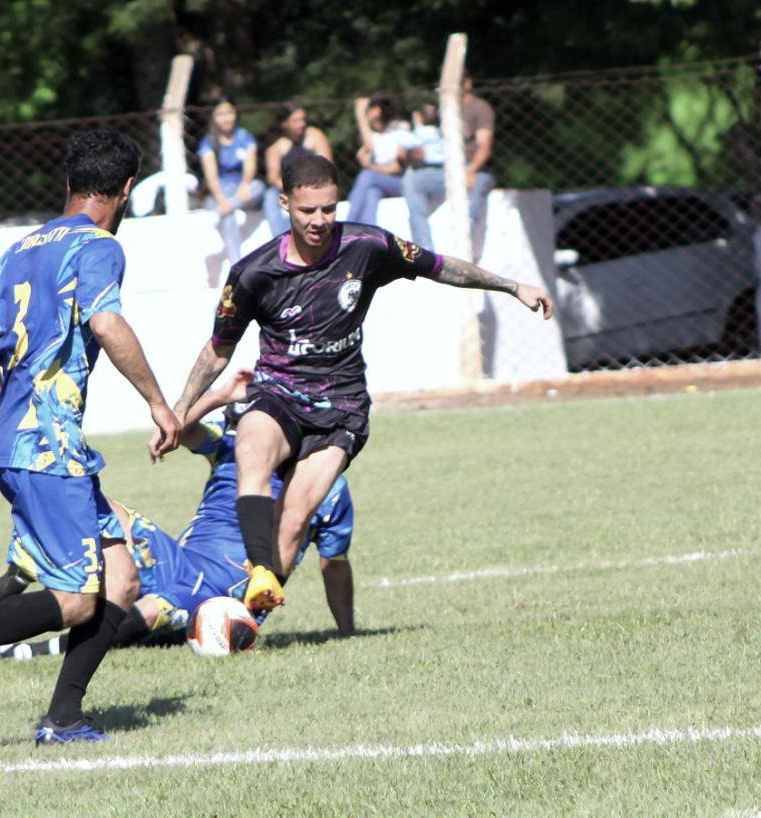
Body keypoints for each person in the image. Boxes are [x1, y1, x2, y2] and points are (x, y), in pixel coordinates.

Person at [0, 130, 182, 745]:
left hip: (28, 443)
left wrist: (4, 415)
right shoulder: (98, 245)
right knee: (76, 599)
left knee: (122, 576)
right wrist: (159, 402)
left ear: (69, 183)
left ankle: (65, 717)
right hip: (46, 447)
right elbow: (106, 321)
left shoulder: (22, 247)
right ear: (125, 189)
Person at [170, 154, 552, 621]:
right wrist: (178, 409)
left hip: (342, 409)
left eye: (328, 209)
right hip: (280, 393)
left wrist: (512, 286)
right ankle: (261, 571)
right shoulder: (254, 273)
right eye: (307, 211)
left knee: (293, 522)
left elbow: (439, 267)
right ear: (285, 203)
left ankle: (240, 622)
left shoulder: (365, 246)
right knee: (252, 447)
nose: (319, 221)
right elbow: (218, 350)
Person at [0, 411, 357, 659]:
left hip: (231, 591)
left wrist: (346, 633)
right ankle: (4, 589)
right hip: (179, 557)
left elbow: (334, 563)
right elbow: (180, 427)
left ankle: (28, 649)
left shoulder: (326, 486)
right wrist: (219, 395)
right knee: (94, 508)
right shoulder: (233, 448)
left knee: (158, 607)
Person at [402, 77, 496, 255]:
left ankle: (464, 248)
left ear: (467, 83)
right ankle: (423, 249)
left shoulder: (479, 108)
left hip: (474, 168)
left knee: (474, 194)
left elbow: (485, 147)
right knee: (411, 181)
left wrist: (470, 170)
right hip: (446, 169)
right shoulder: (444, 110)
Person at [198, 99, 266, 265]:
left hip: (241, 191)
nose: (226, 118)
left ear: (235, 115)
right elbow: (211, 175)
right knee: (228, 215)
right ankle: (237, 262)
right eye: (221, 114)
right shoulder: (208, 143)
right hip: (220, 192)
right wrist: (222, 199)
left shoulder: (244, 137)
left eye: (229, 113)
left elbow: (250, 166)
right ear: (214, 118)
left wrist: (243, 185)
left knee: (258, 187)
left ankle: (226, 208)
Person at [262, 102, 334, 236]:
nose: (302, 124)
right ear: (284, 123)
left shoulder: (314, 136)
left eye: (303, 119)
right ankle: (281, 238)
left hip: (316, 187)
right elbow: (272, 177)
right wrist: (294, 189)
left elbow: (328, 166)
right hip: (289, 190)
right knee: (270, 196)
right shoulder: (276, 146)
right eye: (296, 121)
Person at [346, 94, 410, 225]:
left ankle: (347, 225)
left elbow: (397, 168)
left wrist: (372, 168)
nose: (367, 113)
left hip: (402, 181)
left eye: (368, 110)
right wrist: (360, 114)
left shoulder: (401, 129)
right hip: (382, 182)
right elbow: (369, 142)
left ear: (377, 110)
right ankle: (368, 235)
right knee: (371, 193)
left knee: (367, 176)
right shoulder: (376, 135)